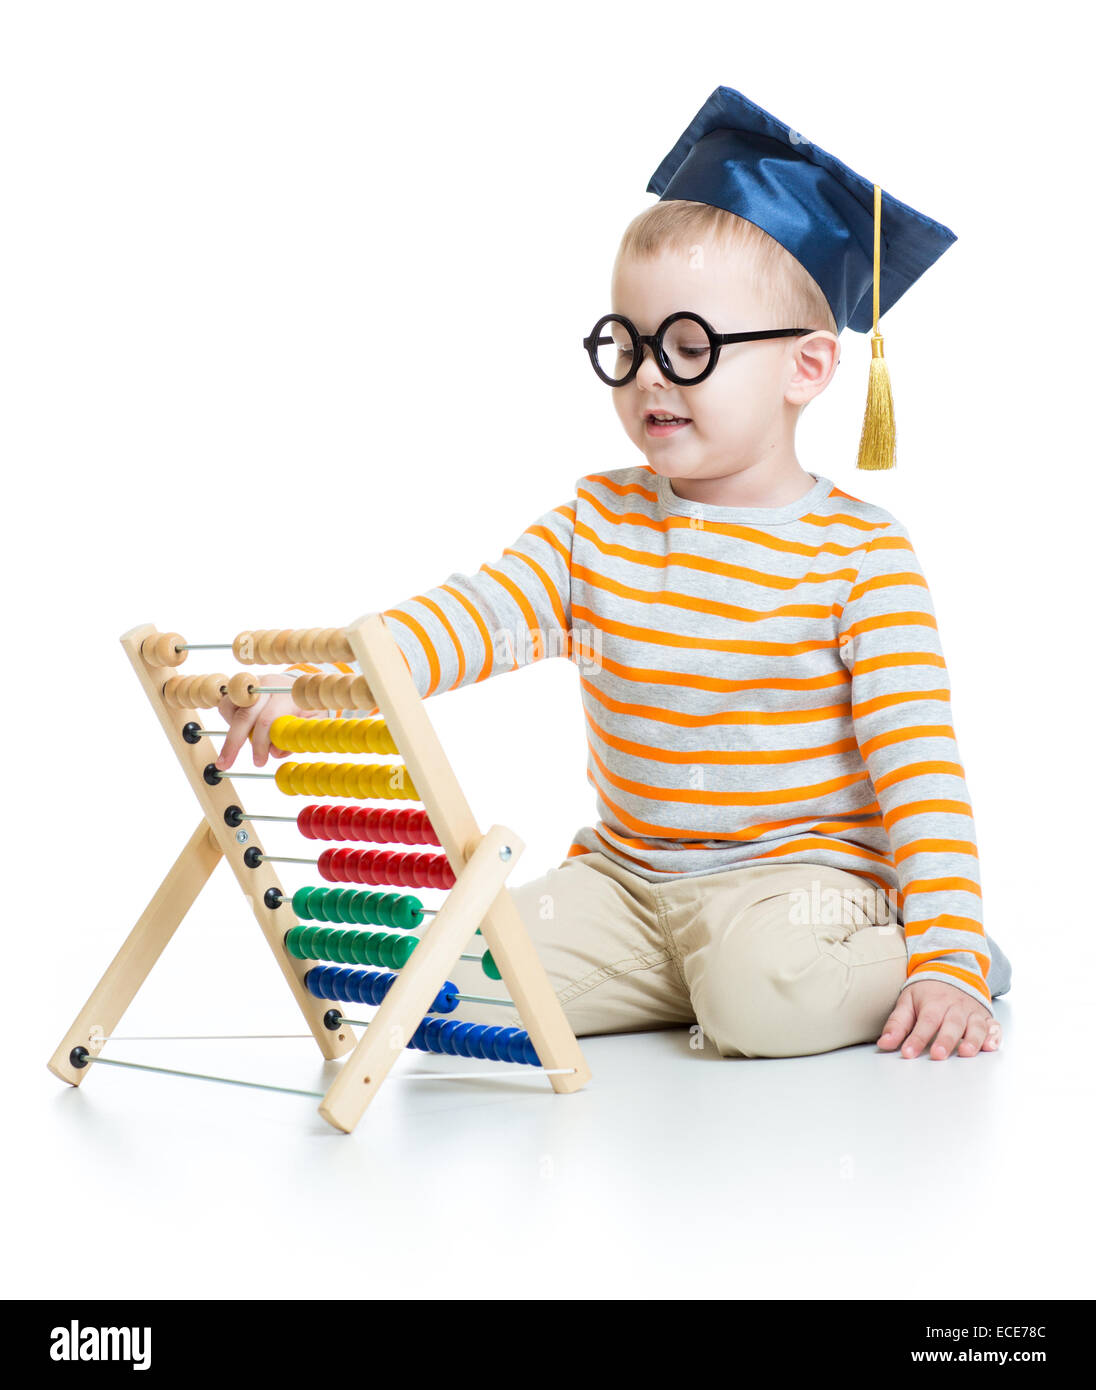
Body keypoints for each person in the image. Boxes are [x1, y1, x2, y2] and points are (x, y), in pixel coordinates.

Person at [216, 86, 1010, 1063]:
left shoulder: (861, 558)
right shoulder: (598, 524)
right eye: (628, 345)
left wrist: (948, 961)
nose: (648, 377)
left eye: (689, 348)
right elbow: (473, 616)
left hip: (807, 883)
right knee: (449, 987)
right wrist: (327, 681)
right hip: (630, 887)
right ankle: (701, 979)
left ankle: (936, 949)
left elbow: (919, 773)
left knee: (760, 1000)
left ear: (805, 368)